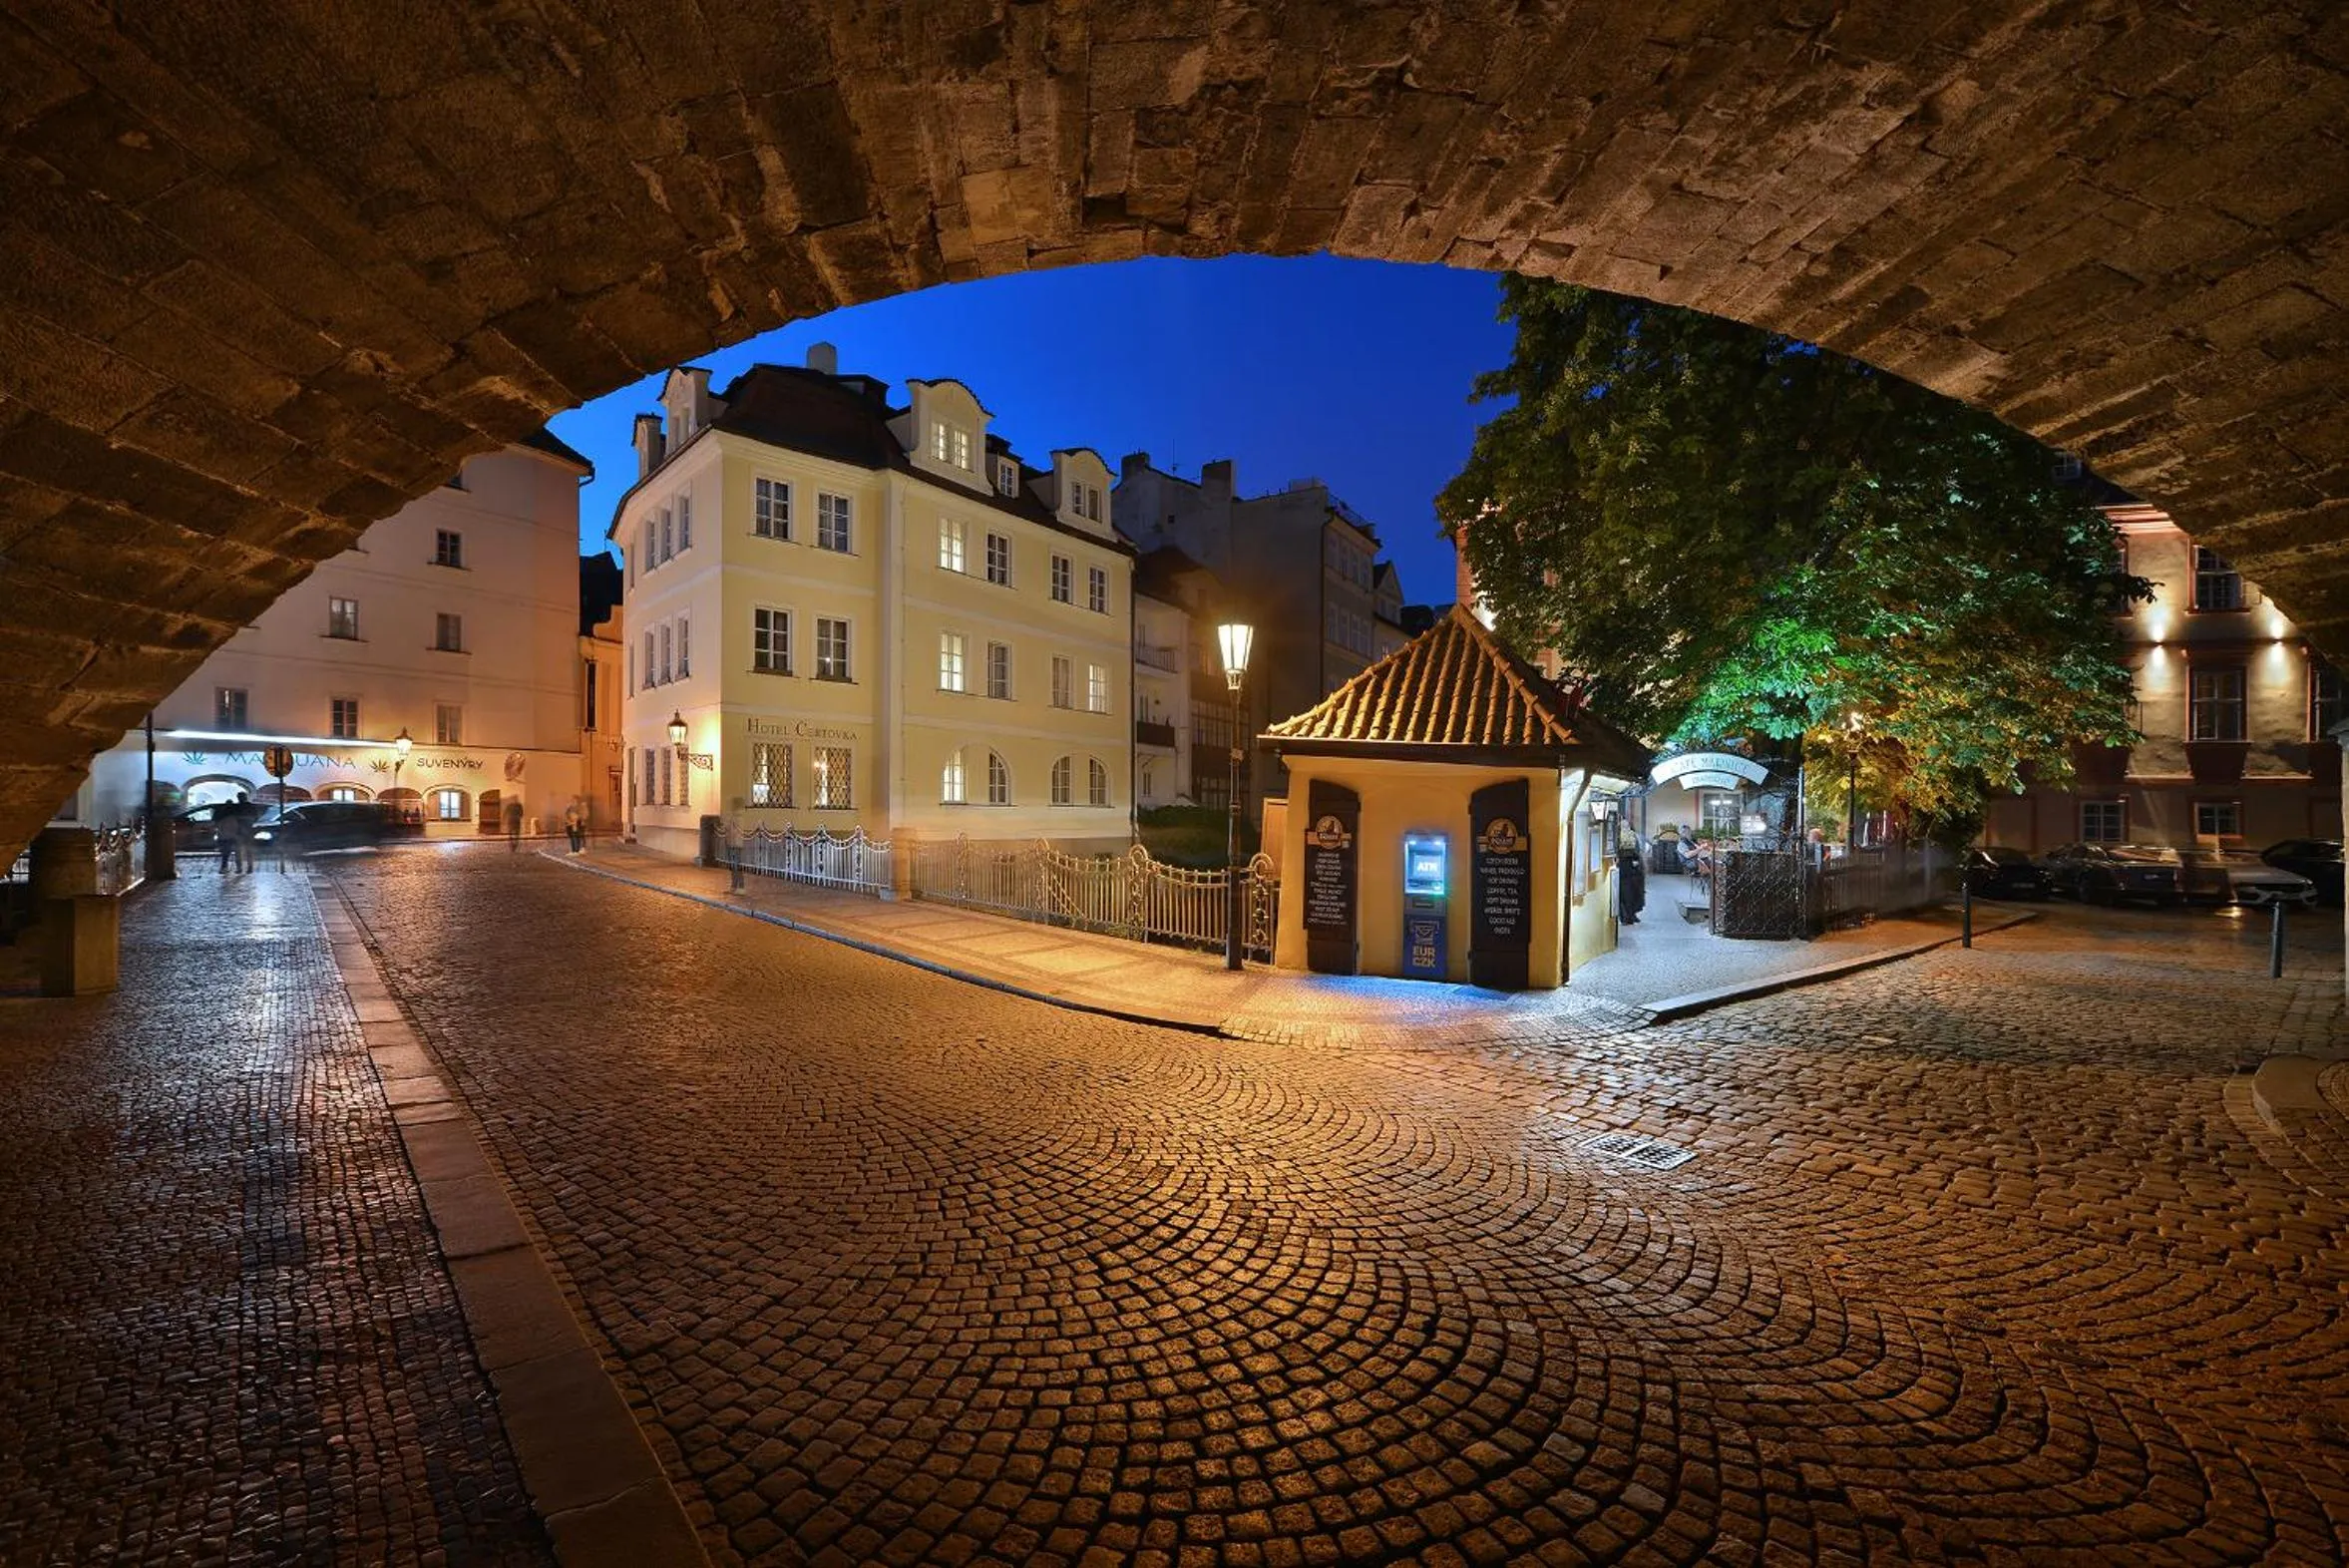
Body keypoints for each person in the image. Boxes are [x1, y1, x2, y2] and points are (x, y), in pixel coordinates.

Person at [1617, 832, 1646, 925]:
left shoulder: (1629, 847)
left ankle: (1629, 916)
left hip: (1629, 872)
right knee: (1629, 894)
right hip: (1629, 872)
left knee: (1629, 894)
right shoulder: (1628, 848)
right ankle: (1628, 916)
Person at [722, 798, 746, 893]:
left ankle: (740, 887)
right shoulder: (735, 816)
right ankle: (734, 886)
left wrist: (727, 826)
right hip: (733, 842)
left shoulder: (738, 816)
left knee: (736, 866)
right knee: (733, 866)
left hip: (736, 843)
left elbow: (734, 829)